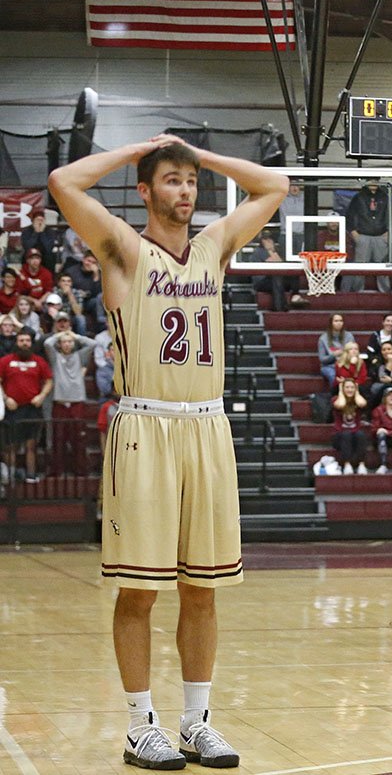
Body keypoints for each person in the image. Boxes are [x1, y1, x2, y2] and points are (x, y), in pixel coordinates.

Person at [48, 133, 288, 768]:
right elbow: (64, 183)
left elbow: (274, 187)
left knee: (203, 589)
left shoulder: (213, 248)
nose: (186, 190)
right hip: (144, 427)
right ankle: (138, 724)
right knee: (140, 591)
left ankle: (196, 721)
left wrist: (202, 156)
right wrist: (137, 152)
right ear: (147, 190)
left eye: (191, 181)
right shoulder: (124, 250)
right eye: (173, 180)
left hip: (207, 428)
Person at [0, 329, 53, 484]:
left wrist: (42, 396)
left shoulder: (39, 361)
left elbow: (49, 381)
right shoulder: (5, 360)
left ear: (31, 343)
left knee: (31, 445)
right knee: (10, 445)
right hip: (12, 409)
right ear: (17, 342)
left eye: (27, 341)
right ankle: (10, 476)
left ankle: (31, 474)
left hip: (32, 409)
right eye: (21, 340)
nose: (24, 343)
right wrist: (5, 398)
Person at [44, 329, 97, 476]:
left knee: (78, 439)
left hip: (77, 402)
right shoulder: (55, 357)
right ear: (60, 345)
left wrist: (75, 336)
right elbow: (47, 343)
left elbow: (93, 344)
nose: (67, 344)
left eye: (69, 342)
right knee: (58, 439)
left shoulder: (79, 356)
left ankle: (80, 470)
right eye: (64, 342)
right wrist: (59, 335)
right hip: (60, 402)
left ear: (73, 344)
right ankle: (57, 471)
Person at [344, 178, 391, 293]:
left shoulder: (385, 197)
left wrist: (389, 231)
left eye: (375, 180)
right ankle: (358, 291)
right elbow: (350, 215)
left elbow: (391, 215)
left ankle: (385, 292)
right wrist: (354, 232)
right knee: (360, 265)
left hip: (381, 236)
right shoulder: (358, 197)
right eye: (371, 180)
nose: (373, 183)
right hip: (363, 236)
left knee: (383, 265)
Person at [249, 230, 307, 312]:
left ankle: (295, 295)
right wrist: (271, 250)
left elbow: (282, 265)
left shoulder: (276, 251)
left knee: (293, 272)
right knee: (276, 277)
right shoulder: (259, 251)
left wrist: (273, 251)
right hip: (261, 282)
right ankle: (279, 309)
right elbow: (277, 263)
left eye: (269, 239)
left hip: (274, 279)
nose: (268, 242)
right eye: (265, 240)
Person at [329, 378, 370, 475]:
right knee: (346, 434)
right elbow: (340, 405)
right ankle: (347, 464)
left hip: (355, 435)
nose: (350, 390)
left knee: (361, 434)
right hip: (339, 435)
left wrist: (356, 392)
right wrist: (340, 391)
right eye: (347, 387)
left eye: (352, 387)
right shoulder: (336, 399)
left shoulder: (358, 400)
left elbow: (362, 403)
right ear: (343, 389)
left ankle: (361, 464)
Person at [317, 313, 354, 391]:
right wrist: (334, 355)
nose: (339, 323)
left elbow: (353, 353)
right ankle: (335, 396)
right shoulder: (323, 339)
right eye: (336, 321)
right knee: (333, 375)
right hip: (329, 366)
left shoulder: (349, 336)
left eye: (341, 321)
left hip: (346, 364)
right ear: (331, 323)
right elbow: (322, 359)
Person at [20, 208, 60, 274]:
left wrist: (41, 233)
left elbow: (49, 248)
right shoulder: (26, 231)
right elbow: (27, 247)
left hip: (45, 255)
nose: (40, 222)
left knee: (50, 257)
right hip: (31, 254)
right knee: (27, 256)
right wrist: (35, 233)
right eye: (37, 220)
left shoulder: (49, 231)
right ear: (33, 221)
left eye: (42, 220)